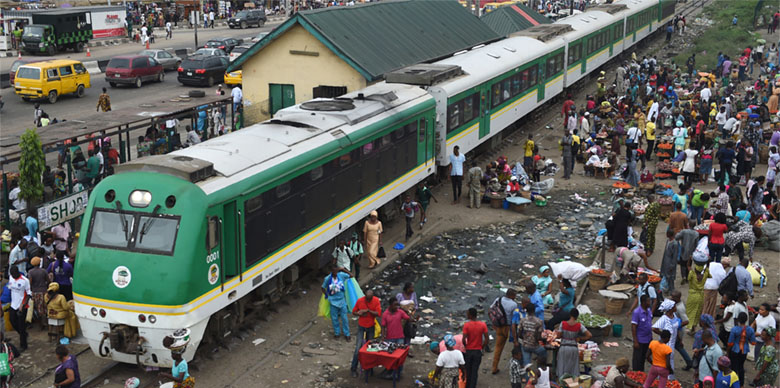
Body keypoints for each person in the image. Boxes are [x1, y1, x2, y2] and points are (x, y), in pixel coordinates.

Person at [350, 289, 381, 377]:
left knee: (370, 349)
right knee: (358, 349)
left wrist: (367, 311)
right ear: (364, 296)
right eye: (367, 299)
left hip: (371, 327)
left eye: (370, 299)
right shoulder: (360, 301)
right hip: (361, 327)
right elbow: (354, 312)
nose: (368, 300)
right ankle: (353, 369)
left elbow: (378, 313)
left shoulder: (376, 301)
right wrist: (359, 314)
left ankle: (369, 368)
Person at [557, 309, 591, 378]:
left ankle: (562, 383)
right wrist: (580, 338)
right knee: (573, 369)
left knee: (562, 367)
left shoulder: (563, 324)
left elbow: (558, 336)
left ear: (570, 315)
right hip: (574, 349)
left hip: (563, 348)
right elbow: (589, 335)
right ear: (577, 316)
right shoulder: (579, 325)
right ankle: (573, 384)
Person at [321, 265, 351, 340]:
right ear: (331, 271)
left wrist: (343, 269)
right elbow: (322, 287)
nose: (335, 272)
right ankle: (337, 333)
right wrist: (327, 295)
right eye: (333, 271)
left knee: (344, 318)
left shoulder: (341, 275)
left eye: (336, 271)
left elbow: (351, 276)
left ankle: (347, 334)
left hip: (342, 300)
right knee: (334, 318)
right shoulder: (327, 278)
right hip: (333, 302)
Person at [491, 288, 517, 375]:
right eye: (515, 295)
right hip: (508, 327)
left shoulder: (498, 299)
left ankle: (495, 367)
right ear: (511, 295)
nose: (515, 297)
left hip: (499, 326)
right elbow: (515, 318)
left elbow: (491, 310)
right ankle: (515, 367)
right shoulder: (514, 304)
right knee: (513, 346)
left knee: (498, 347)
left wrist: (494, 323)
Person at [381, 298, 409, 377]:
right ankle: (391, 371)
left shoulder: (400, 312)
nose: (397, 306)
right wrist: (383, 337)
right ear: (390, 305)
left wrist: (413, 319)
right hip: (390, 338)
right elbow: (383, 326)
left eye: (397, 305)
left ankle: (398, 372)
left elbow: (407, 318)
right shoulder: (385, 314)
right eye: (395, 305)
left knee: (400, 356)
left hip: (400, 337)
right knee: (391, 356)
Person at [462, 307, 488, 388]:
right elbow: (486, 339)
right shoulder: (482, 324)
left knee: (468, 371)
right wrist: (482, 347)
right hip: (477, 351)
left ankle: (467, 385)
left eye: (467, 313)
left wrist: (466, 346)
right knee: (474, 371)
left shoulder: (466, 325)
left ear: (470, 315)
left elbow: (463, 339)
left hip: (469, 351)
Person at [726, 312, 754, 384]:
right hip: (744, 351)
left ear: (738, 319)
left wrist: (727, 352)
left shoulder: (734, 329)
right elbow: (753, 342)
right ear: (746, 319)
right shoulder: (750, 330)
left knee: (733, 367)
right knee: (741, 367)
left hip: (735, 350)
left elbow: (730, 343)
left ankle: (733, 383)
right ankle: (741, 384)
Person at [8, 266, 30, 351]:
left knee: (21, 326)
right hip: (13, 304)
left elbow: (29, 294)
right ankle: (23, 333)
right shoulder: (11, 278)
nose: (13, 276)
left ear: (17, 272)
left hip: (22, 306)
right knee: (12, 321)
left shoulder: (25, 281)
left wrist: (23, 304)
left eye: (14, 274)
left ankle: (23, 345)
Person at [632, 295, 654, 371]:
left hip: (647, 339)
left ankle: (641, 373)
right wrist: (635, 341)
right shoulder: (637, 312)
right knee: (637, 359)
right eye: (648, 301)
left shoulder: (649, 311)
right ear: (643, 302)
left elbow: (649, 324)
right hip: (640, 340)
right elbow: (634, 327)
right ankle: (635, 373)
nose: (650, 303)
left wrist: (651, 337)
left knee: (643, 358)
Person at [28, 257, 48, 330]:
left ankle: (40, 324)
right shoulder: (43, 271)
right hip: (44, 291)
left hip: (35, 292)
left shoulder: (30, 272)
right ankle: (45, 323)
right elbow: (48, 280)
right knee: (44, 308)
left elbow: (30, 283)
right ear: (39, 263)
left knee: (37, 308)